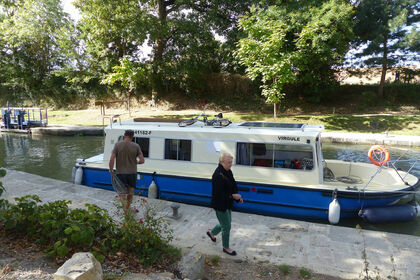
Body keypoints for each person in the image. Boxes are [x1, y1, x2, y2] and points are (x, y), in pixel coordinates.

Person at [206, 152, 243, 256]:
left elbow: (233, 185)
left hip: (227, 202)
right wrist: (233, 196)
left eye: (231, 162)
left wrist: (237, 198)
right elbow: (219, 194)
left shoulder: (228, 171)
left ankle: (211, 233)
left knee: (225, 222)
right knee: (226, 226)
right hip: (219, 204)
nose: (231, 164)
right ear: (222, 162)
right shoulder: (218, 175)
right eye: (229, 162)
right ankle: (226, 247)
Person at [109, 129, 145, 214]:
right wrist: (136, 162)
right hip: (132, 173)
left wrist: (111, 171)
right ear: (132, 137)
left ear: (124, 135)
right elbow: (142, 160)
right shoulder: (136, 146)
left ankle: (125, 210)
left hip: (120, 173)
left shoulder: (117, 145)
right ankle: (127, 208)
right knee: (130, 192)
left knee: (122, 193)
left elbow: (111, 159)